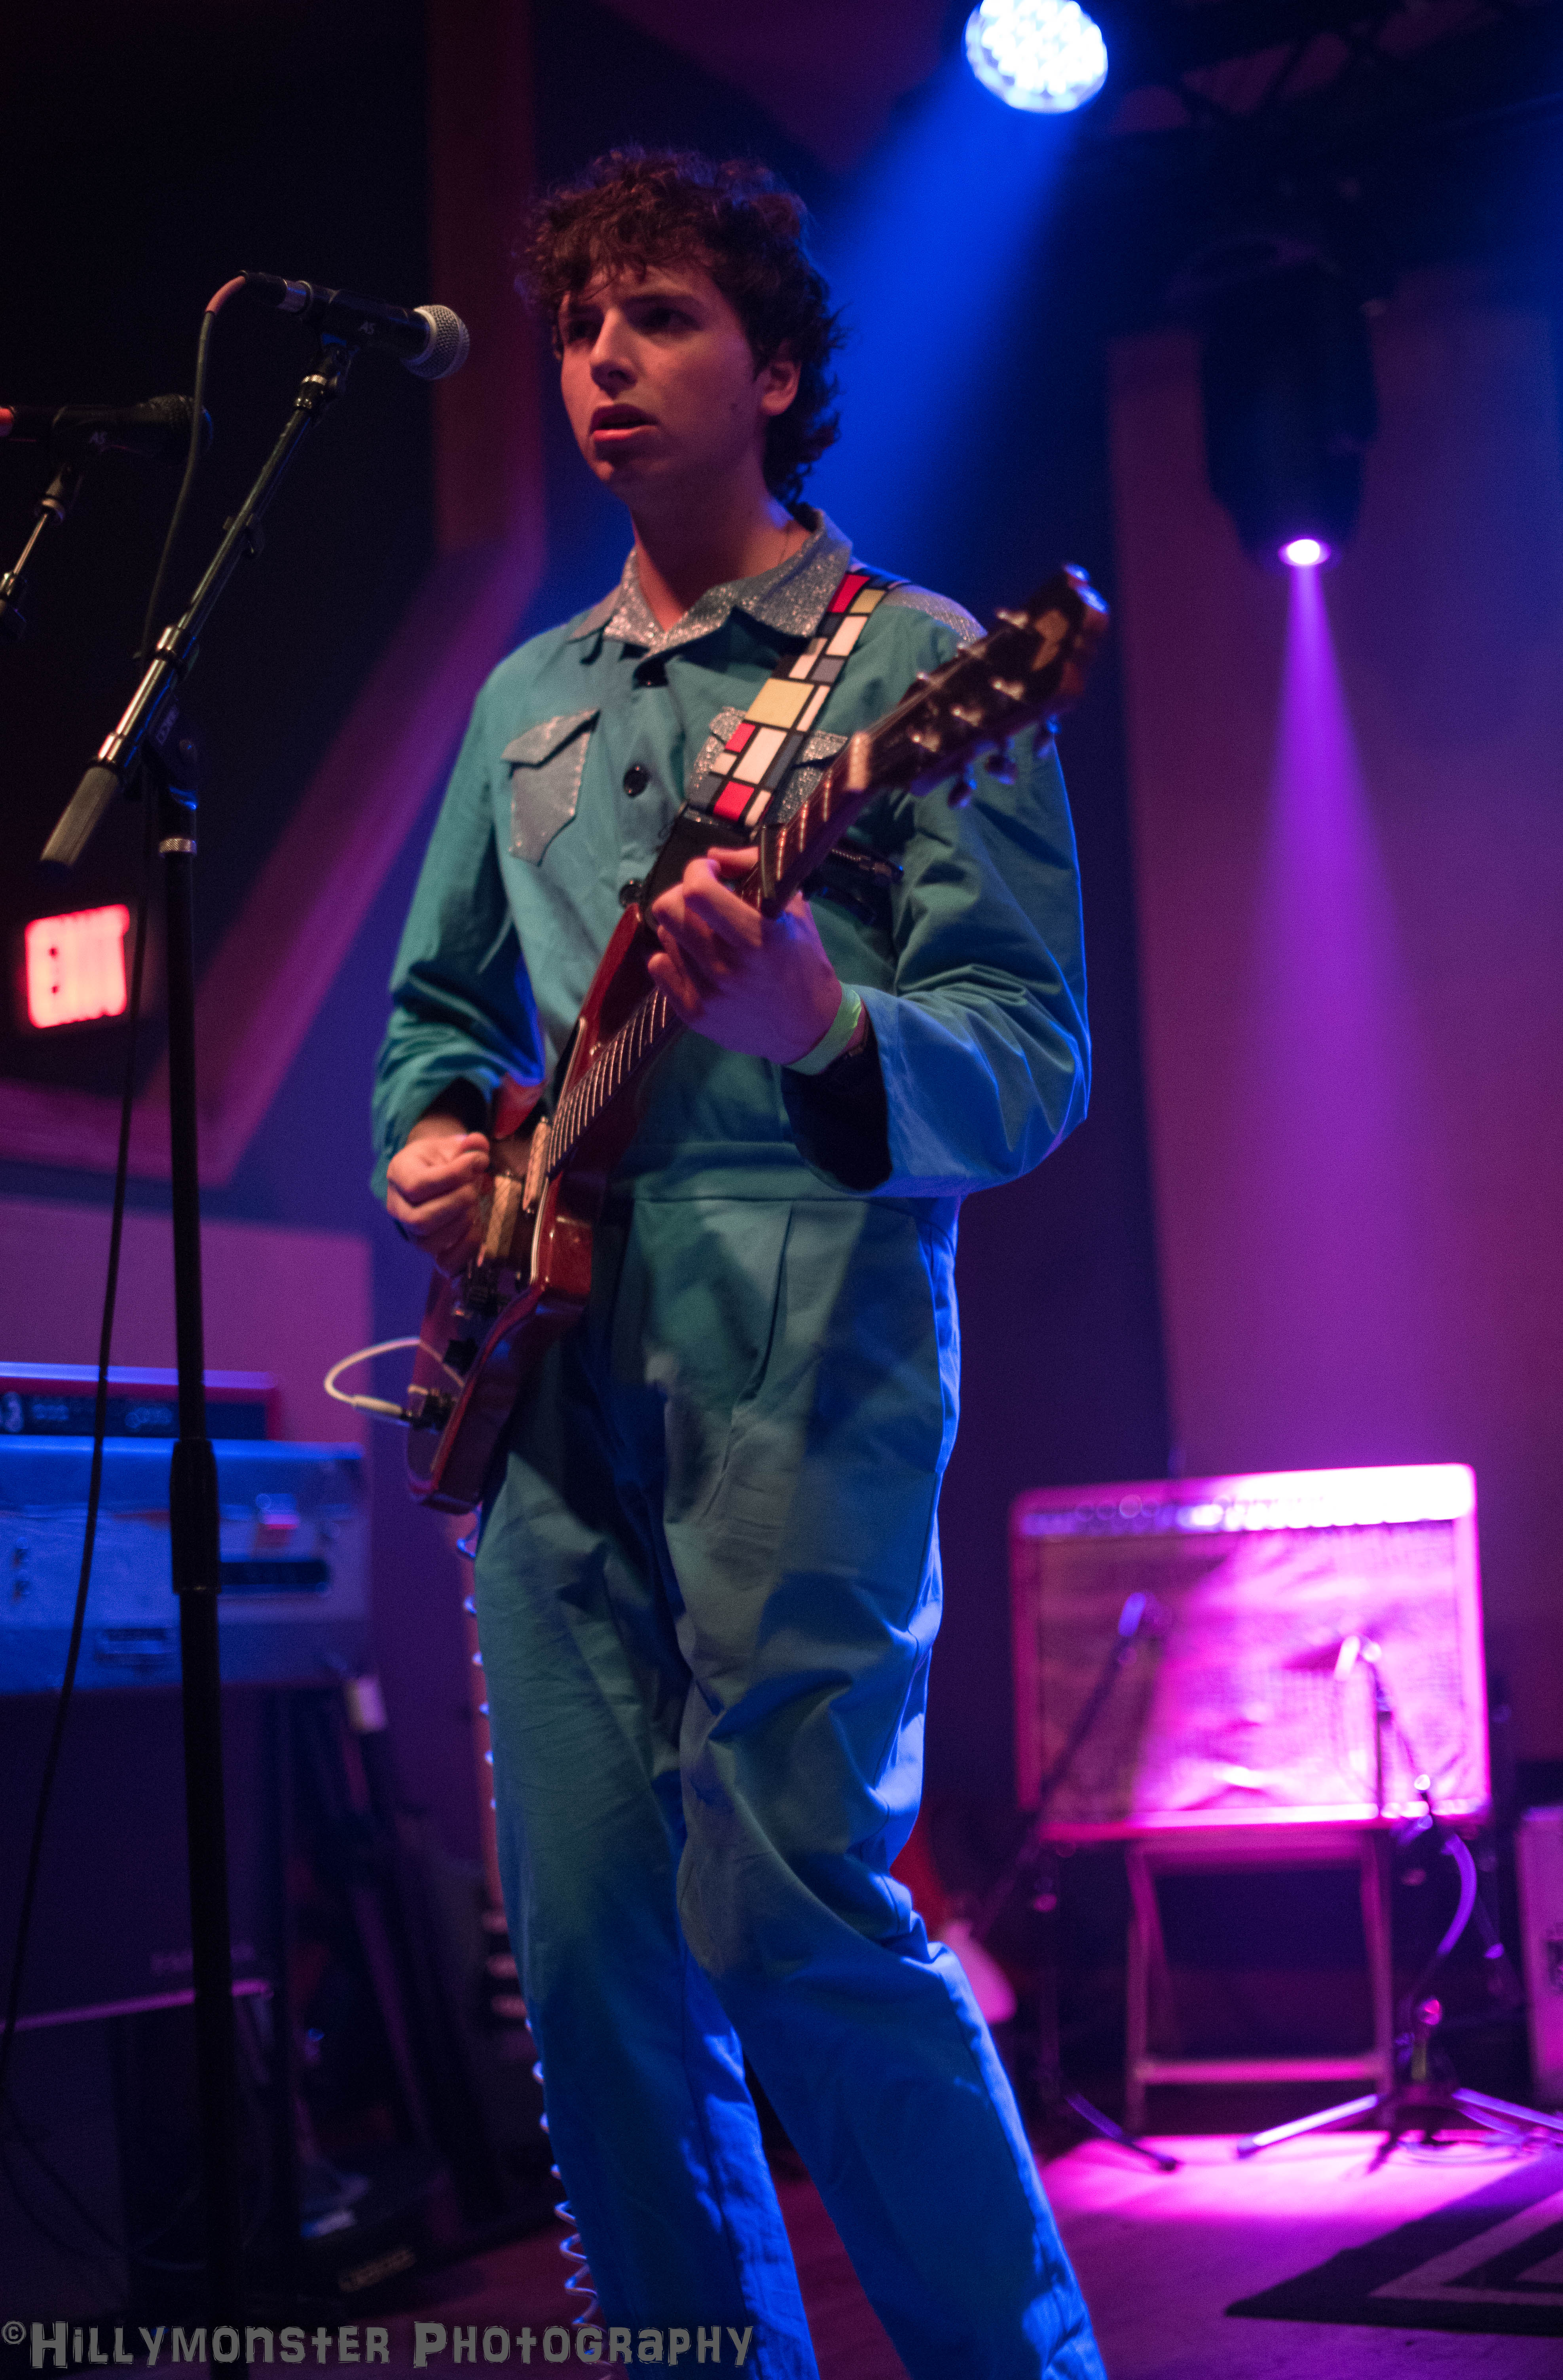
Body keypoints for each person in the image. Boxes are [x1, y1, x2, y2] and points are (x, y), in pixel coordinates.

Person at [374, 149, 1102, 2380]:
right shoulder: (524, 697)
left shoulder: (922, 665)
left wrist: (819, 1024)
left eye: (664, 316)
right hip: (547, 1363)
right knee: (596, 1960)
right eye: (584, 323)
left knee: (789, 1904)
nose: (606, 358)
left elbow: (1032, 1055)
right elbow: (437, 1016)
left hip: (809, 1337)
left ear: (777, 369)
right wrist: (433, 1139)